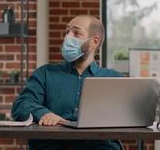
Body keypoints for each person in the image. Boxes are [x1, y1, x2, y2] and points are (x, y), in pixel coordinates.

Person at [12, 15, 123, 150]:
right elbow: (21, 106)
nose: (67, 37)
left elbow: (128, 117)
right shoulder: (44, 73)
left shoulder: (114, 79)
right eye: (67, 32)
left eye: (76, 33)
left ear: (94, 41)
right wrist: (43, 113)